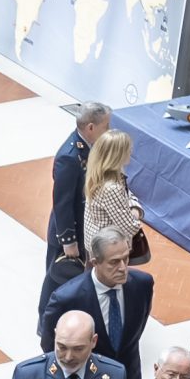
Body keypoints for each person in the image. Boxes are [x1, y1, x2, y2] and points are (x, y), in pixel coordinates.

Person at [45, 225, 152, 378]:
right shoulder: (66, 298)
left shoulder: (143, 284)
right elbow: (51, 345)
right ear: (95, 262)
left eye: (125, 258)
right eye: (114, 262)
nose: (123, 268)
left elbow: (136, 331)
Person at [44, 102, 111, 279]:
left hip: (85, 228)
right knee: (59, 281)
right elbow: (62, 203)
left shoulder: (90, 146)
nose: (109, 130)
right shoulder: (69, 156)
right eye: (106, 126)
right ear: (91, 127)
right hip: (70, 232)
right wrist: (69, 241)